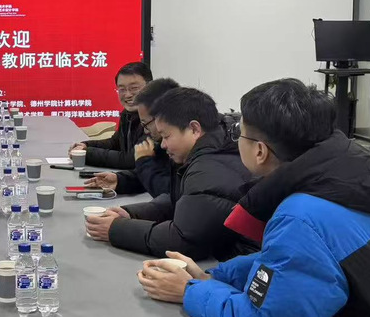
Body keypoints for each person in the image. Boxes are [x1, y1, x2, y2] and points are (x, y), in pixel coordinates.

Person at [137, 79, 370, 317]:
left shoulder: (299, 216)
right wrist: (214, 277)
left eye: (238, 131)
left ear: (260, 150)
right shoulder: (352, 174)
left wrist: (190, 291)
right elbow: (296, 262)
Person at [86, 87, 256, 261]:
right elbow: (185, 200)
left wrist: (116, 229)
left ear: (194, 129)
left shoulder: (210, 166)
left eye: (166, 136)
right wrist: (131, 214)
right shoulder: (211, 147)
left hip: (236, 267)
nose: (163, 145)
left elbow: (183, 240)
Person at [85, 77, 179, 198]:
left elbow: (168, 193)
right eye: (122, 89)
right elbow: (153, 174)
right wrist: (120, 180)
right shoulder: (129, 116)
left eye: (134, 88)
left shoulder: (193, 154)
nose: (145, 130)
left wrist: (144, 161)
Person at [69, 62, 152, 170]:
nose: (127, 95)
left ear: (150, 87)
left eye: (134, 88)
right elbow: (115, 143)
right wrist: (85, 145)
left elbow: (132, 159)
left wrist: (87, 153)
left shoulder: (155, 118)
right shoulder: (128, 114)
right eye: (122, 89)